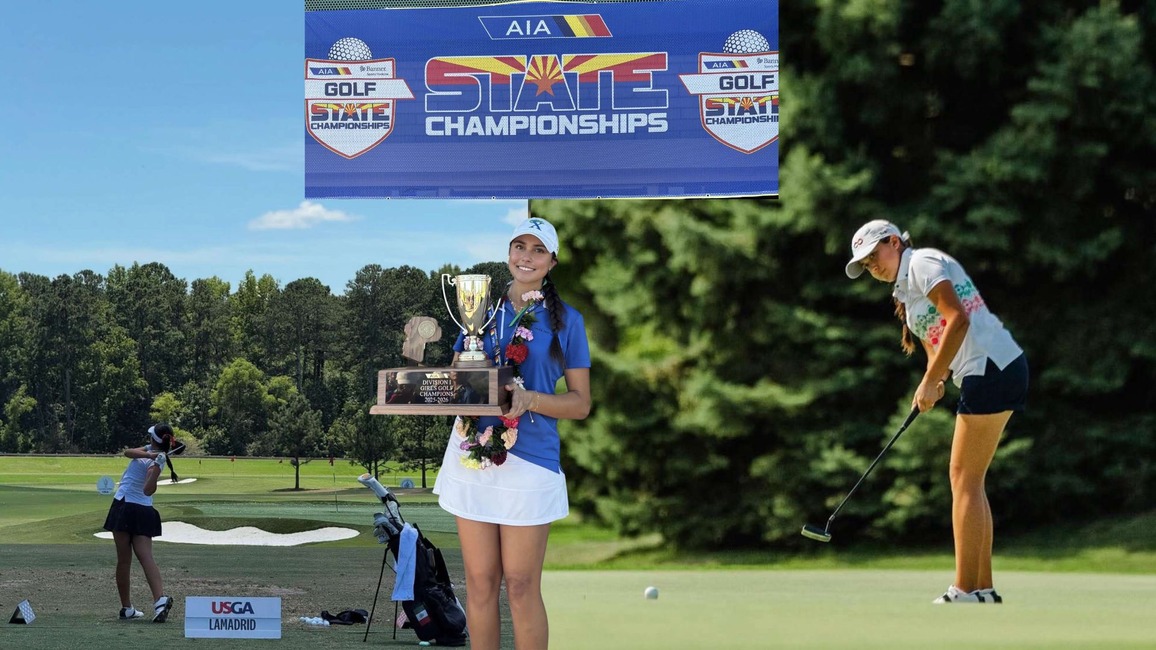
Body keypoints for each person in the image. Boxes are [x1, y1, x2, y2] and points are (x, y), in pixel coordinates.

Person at [845, 220, 1028, 604]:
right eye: (864, 264)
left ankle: (963, 589)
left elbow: (958, 318)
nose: (871, 266)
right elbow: (938, 340)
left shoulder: (923, 263)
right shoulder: (907, 295)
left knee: (962, 476)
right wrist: (935, 378)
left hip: (991, 365)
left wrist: (930, 379)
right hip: (990, 368)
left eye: (874, 255)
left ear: (894, 242)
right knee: (970, 480)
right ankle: (982, 589)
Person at [434, 217, 591, 649]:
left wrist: (532, 401)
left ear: (552, 262)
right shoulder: (480, 310)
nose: (526, 256)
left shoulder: (568, 322)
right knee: (480, 585)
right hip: (472, 454)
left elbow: (580, 403)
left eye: (538, 250)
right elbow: (456, 380)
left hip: (531, 460)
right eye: (519, 246)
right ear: (508, 253)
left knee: (520, 587)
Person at [103, 423, 176, 622]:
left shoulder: (158, 461)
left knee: (126, 560)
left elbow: (148, 489)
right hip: (141, 510)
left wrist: (156, 468)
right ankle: (150, 603)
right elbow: (128, 452)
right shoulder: (148, 450)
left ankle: (134, 606)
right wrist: (151, 455)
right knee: (144, 557)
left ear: (155, 439)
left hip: (126, 505)